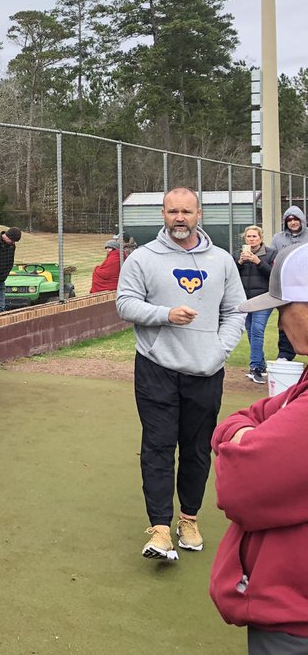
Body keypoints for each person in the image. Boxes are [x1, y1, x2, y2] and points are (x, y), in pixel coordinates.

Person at [115, 187, 244, 562]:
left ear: (199, 214)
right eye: (173, 211)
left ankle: (189, 519)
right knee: (157, 446)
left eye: (187, 211)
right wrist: (165, 314)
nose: (180, 218)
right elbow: (124, 303)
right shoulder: (143, 258)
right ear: (163, 214)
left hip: (206, 370)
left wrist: (219, 349)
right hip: (156, 368)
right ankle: (159, 529)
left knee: (196, 449)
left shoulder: (221, 260)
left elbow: (236, 310)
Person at [209, 241, 308, 654]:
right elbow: (248, 416)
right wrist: (244, 432)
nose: (279, 322)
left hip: (296, 619)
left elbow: (241, 483)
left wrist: (244, 438)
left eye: (285, 309)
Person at [235, 226, 275, 385]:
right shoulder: (238, 255)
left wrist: (258, 262)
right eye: (249, 237)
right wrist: (239, 263)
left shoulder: (271, 253)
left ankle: (255, 367)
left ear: (261, 238)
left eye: (254, 236)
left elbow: (274, 275)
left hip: (264, 299)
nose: (251, 239)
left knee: (257, 330)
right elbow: (231, 276)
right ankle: (261, 364)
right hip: (245, 300)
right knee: (252, 332)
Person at [269, 206, 305, 361]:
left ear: (301, 220)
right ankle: (284, 355)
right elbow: (271, 258)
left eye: (296, 219)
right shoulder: (278, 238)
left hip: (305, 285)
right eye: (289, 220)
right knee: (286, 319)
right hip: (286, 286)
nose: (293, 222)